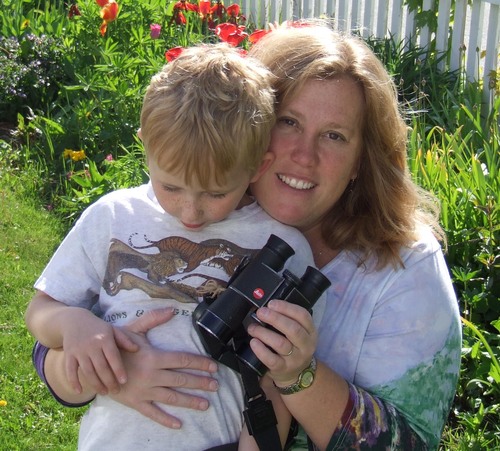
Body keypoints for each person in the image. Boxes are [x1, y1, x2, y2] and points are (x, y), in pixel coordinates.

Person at [30, 20, 462, 451]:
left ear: (361, 161)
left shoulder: (404, 267)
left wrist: (298, 376)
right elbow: (57, 328)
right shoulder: (170, 206)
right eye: (289, 122)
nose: (303, 156)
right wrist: (115, 373)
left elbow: (408, 445)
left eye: (334, 135)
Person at [25, 42, 326, 451]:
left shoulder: (282, 249)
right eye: (170, 186)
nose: (191, 212)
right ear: (145, 144)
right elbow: (41, 311)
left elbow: (276, 376)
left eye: (216, 193)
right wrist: (74, 325)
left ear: (259, 165)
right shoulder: (111, 216)